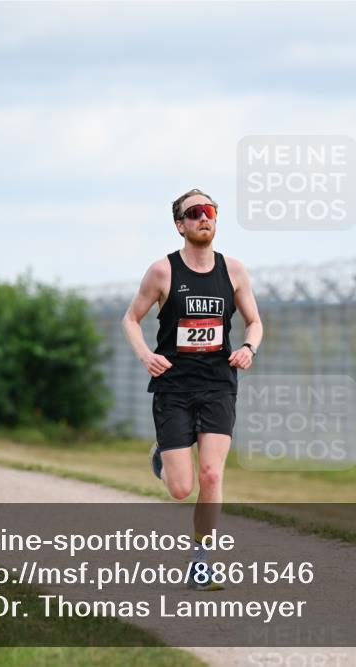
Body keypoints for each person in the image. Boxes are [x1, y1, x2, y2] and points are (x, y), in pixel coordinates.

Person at [122, 188, 263, 591]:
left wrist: (249, 348)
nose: (205, 218)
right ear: (179, 224)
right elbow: (130, 319)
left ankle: (201, 562)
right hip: (174, 387)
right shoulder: (162, 272)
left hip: (218, 383)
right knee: (182, 489)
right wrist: (146, 355)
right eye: (195, 212)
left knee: (212, 475)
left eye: (211, 211)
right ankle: (162, 460)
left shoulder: (234, 270)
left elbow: (255, 321)